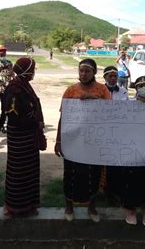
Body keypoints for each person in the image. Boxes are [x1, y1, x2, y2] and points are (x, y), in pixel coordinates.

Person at [54, 59, 111, 223]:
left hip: (94, 140)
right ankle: (69, 207)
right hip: (73, 141)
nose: (83, 74)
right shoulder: (70, 90)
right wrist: (58, 140)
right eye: (81, 71)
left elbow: (111, 113)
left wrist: (95, 101)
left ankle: (91, 207)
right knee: (71, 173)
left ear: (94, 73)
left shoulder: (102, 90)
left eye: (87, 71)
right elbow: (63, 116)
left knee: (93, 174)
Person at [107, 76, 145, 227]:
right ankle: (130, 209)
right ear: (136, 87)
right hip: (131, 149)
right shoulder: (128, 105)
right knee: (130, 180)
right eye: (141, 85)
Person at [3, 57, 46, 218]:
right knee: (18, 173)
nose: (34, 72)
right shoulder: (14, 88)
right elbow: (13, 117)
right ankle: (16, 208)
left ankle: (28, 205)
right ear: (26, 70)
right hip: (19, 140)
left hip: (29, 139)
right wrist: (36, 124)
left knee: (30, 172)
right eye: (33, 69)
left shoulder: (24, 85)